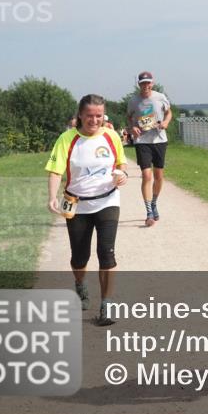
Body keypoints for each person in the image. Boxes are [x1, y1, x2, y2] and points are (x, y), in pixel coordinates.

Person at [45, 94, 129, 326]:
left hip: (107, 201)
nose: (94, 120)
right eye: (90, 115)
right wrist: (52, 196)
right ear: (80, 115)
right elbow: (55, 170)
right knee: (80, 257)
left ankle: (107, 305)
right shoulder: (67, 139)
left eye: (99, 116)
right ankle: (80, 285)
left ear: (104, 116)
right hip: (77, 204)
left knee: (106, 252)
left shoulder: (111, 136)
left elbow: (121, 163)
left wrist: (123, 174)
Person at [126, 71, 172, 227]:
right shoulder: (133, 101)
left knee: (158, 175)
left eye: (148, 83)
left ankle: (154, 203)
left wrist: (165, 123)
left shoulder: (160, 97)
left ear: (152, 83)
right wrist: (132, 128)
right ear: (139, 84)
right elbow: (129, 117)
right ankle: (149, 213)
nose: (145, 86)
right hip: (142, 141)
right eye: (142, 83)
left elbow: (169, 113)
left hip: (159, 139)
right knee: (147, 175)